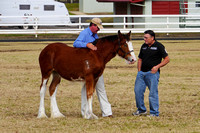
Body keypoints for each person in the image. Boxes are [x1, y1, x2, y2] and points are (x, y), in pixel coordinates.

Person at [73, 18, 113, 118]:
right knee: (87, 89)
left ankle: (107, 112)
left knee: (101, 88)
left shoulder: (95, 35)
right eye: (97, 28)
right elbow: (76, 43)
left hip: (96, 66)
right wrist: (87, 44)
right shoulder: (84, 33)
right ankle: (86, 112)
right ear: (93, 25)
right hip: (86, 67)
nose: (98, 30)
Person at [132, 30, 170, 117]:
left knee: (152, 93)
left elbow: (167, 59)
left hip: (152, 74)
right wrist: (139, 71)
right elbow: (140, 59)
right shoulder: (144, 46)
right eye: (144, 37)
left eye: (146, 37)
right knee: (137, 91)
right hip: (142, 74)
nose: (144, 39)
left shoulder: (159, 46)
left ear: (152, 38)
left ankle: (154, 113)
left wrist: (157, 67)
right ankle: (141, 110)